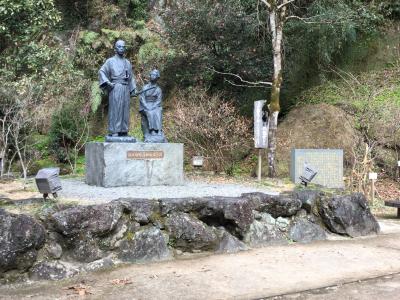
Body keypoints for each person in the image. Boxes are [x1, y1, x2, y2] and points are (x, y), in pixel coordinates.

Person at [99, 40, 136, 137]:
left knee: (125, 109)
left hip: (126, 88)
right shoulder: (110, 61)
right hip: (115, 88)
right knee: (116, 108)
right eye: (119, 47)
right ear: (115, 49)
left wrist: (133, 89)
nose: (121, 48)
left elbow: (131, 77)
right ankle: (114, 130)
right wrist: (107, 82)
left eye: (123, 47)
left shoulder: (127, 62)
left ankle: (124, 130)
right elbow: (102, 71)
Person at [139, 69, 166, 143]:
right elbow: (142, 98)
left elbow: (159, 100)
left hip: (154, 105)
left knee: (158, 111)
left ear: (157, 77)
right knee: (150, 112)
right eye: (151, 75)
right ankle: (152, 130)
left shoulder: (158, 89)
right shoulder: (145, 87)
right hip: (145, 105)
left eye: (154, 75)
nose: (152, 76)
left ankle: (159, 130)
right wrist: (146, 106)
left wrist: (153, 106)